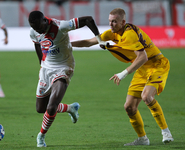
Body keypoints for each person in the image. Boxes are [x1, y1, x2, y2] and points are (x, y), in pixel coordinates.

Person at [71, 8, 174, 146]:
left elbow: (143, 56)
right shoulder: (113, 33)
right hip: (141, 68)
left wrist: (123, 73)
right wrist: (66, 45)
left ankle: (166, 132)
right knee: (129, 107)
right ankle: (142, 139)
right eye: (109, 21)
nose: (111, 24)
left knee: (146, 97)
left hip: (157, 65)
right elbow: (89, 42)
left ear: (123, 22)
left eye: (114, 21)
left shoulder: (129, 34)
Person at [28, 10, 103, 147]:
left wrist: (99, 39)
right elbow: (36, 43)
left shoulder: (61, 26)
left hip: (64, 67)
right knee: (41, 108)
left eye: (40, 27)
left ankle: (41, 137)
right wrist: (41, 62)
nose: (39, 30)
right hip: (46, 70)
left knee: (51, 107)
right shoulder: (34, 31)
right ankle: (70, 108)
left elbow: (88, 19)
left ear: (45, 20)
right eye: (35, 28)